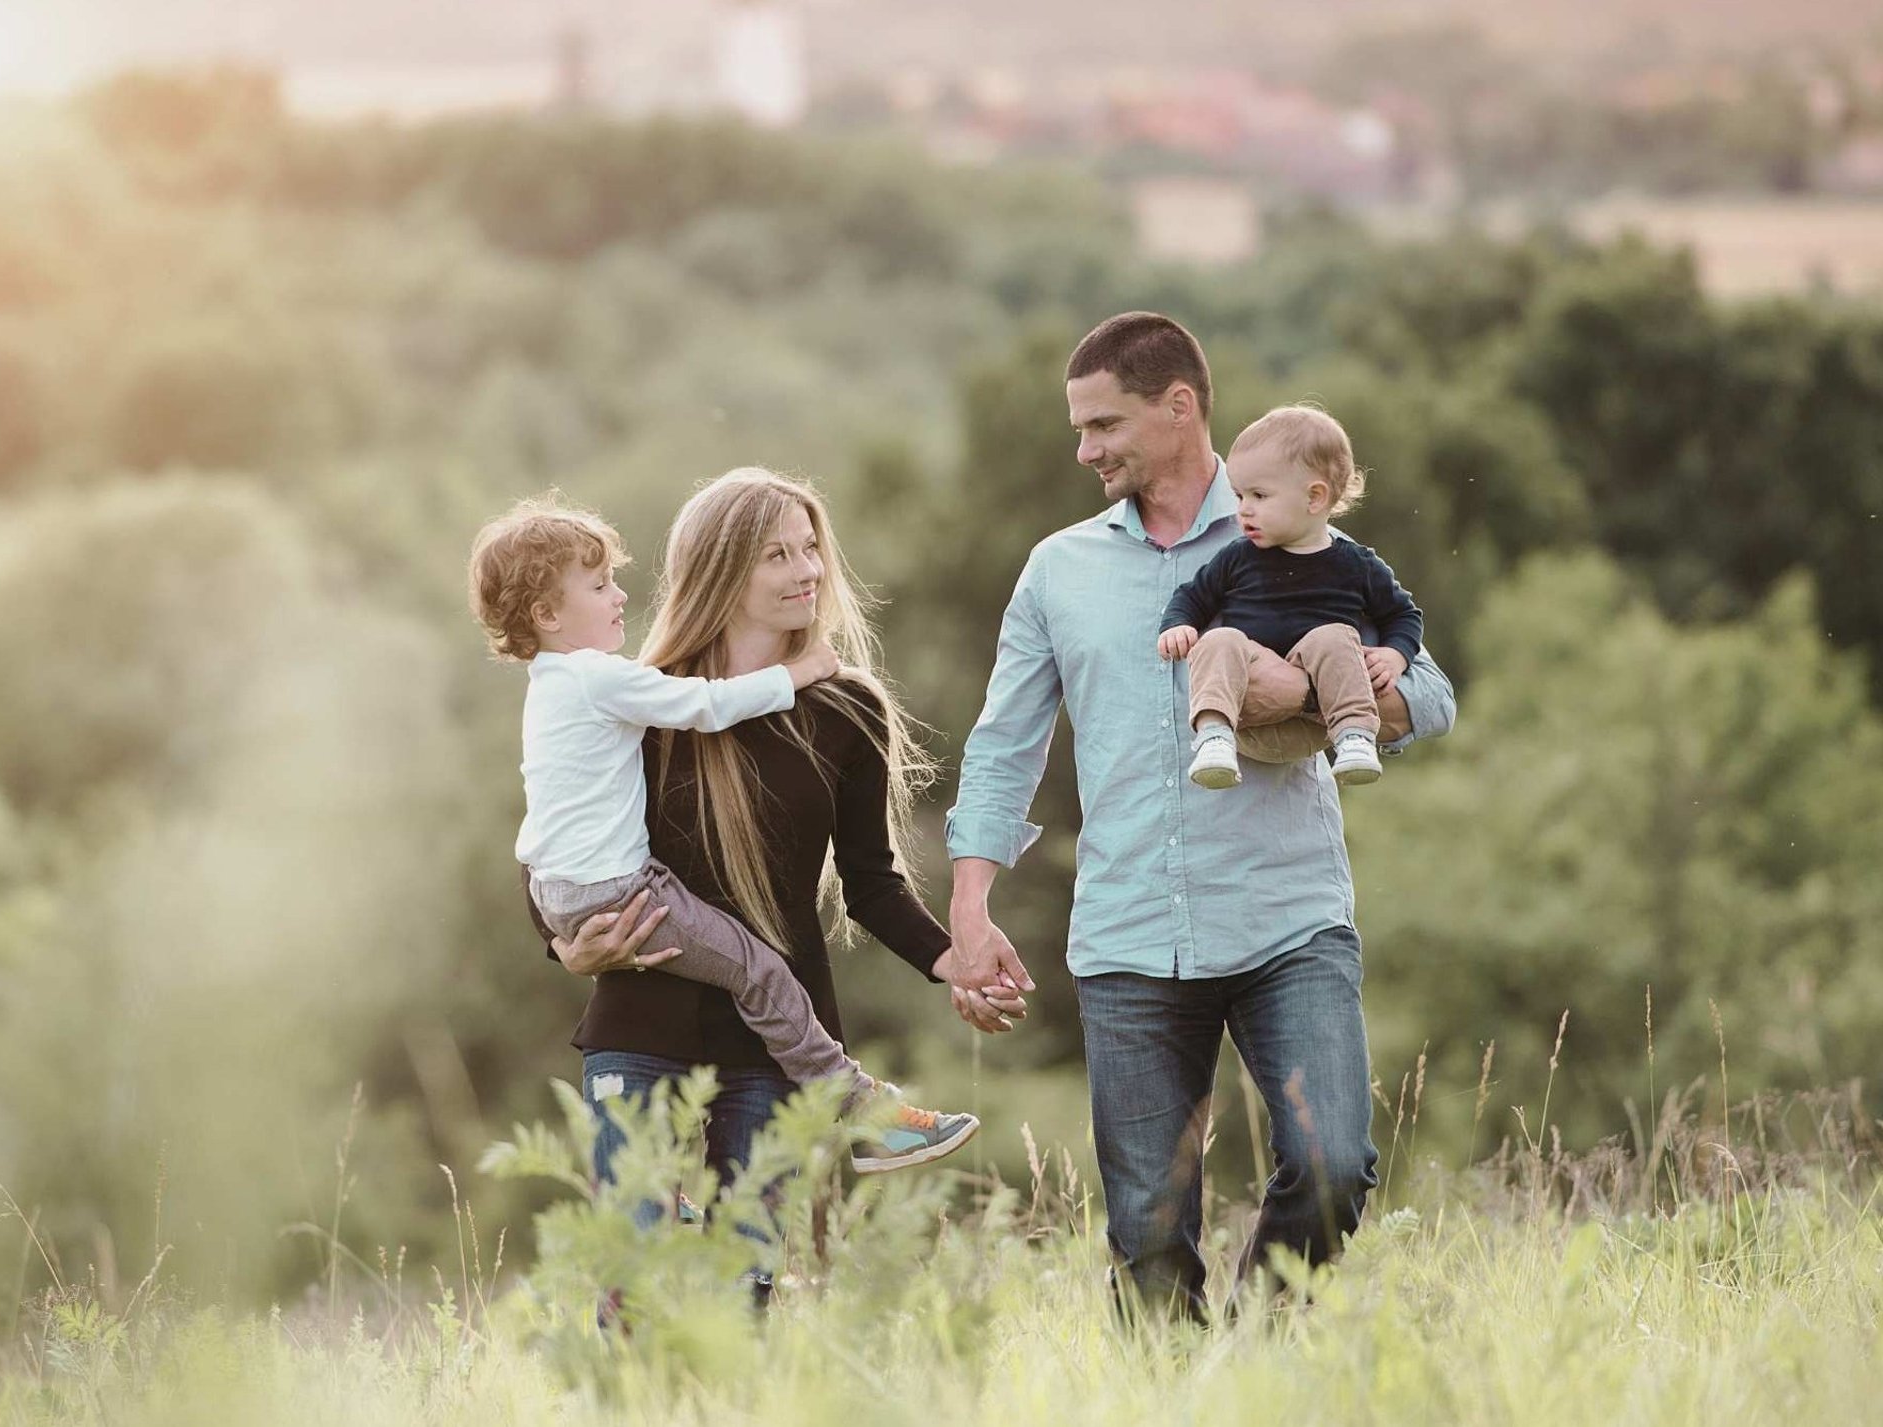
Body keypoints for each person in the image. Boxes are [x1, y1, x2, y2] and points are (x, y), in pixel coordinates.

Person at [943, 313, 1456, 1318]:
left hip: (1288, 917)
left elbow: (1431, 692)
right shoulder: (1059, 569)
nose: (1085, 449)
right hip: (1130, 931)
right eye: (1079, 430)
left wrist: (1327, 696)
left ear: (1180, 408)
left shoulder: (1309, 537)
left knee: (1332, 1163)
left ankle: (1252, 1360)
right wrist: (970, 908)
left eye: (1103, 425)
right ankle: (1178, 1394)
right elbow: (1005, 743)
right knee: (1145, 1227)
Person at [523, 469, 1002, 1267]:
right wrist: (563, 942)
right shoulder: (645, 697)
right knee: (637, 1281)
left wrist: (954, 960)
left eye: (811, 548)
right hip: (642, 1022)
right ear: (722, 571)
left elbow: (870, 878)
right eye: (777, 554)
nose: (807, 570)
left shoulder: (848, 708)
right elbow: (558, 830)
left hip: (774, 1042)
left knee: (744, 1281)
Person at [1157, 403, 1423, 790]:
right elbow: (1192, 596)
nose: (1243, 510)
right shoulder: (1238, 556)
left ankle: (1356, 738)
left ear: (1315, 498)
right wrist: (1177, 625)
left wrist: (1395, 655)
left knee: (1334, 636)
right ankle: (1213, 737)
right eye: (1239, 495)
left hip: (1321, 725)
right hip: (1248, 717)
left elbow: (1403, 615)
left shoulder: (1357, 564)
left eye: (1259, 496)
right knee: (1220, 640)